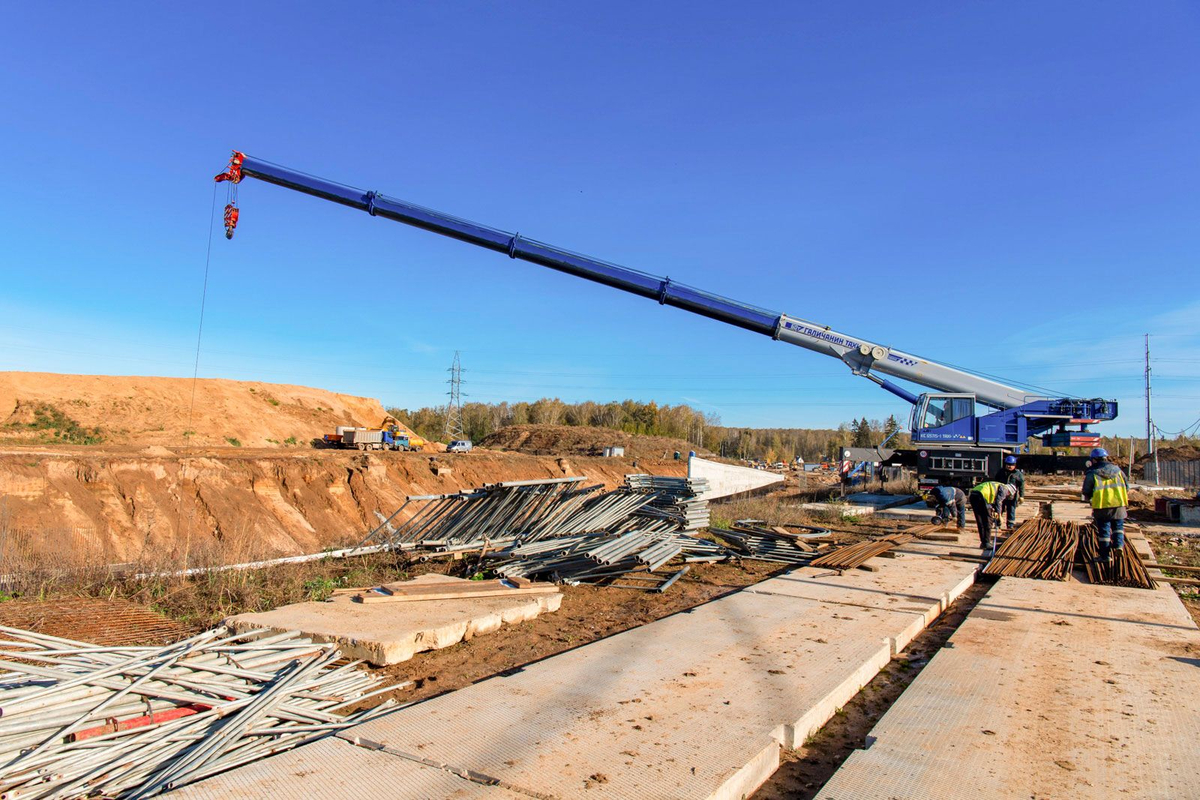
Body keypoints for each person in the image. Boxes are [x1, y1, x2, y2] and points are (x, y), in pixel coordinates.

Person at [1082, 448, 1128, 564]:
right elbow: (1126, 486)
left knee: (1104, 532)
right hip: (1119, 504)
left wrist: (1088, 498)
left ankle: (1105, 556)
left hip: (1102, 506)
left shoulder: (1093, 473)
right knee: (1118, 527)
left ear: (1094, 460)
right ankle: (1118, 546)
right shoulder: (1118, 471)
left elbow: (1086, 490)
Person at [968, 480, 1016, 549]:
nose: (1006, 496)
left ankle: (983, 543)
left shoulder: (998, 485)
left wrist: (993, 510)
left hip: (974, 494)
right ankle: (987, 543)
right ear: (1009, 492)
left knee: (980, 520)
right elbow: (998, 501)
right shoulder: (1005, 488)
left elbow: (993, 499)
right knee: (988, 521)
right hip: (982, 496)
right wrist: (999, 516)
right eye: (1008, 495)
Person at [994, 455, 1026, 531]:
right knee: (999, 509)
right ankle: (997, 523)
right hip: (1001, 495)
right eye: (1008, 465)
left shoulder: (1018, 474)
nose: (1009, 466)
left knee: (1011, 510)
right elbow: (995, 482)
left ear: (1015, 465)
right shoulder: (1001, 472)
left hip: (1012, 496)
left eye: (1011, 465)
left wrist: (1022, 496)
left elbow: (1021, 486)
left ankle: (1010, 525)